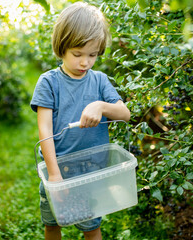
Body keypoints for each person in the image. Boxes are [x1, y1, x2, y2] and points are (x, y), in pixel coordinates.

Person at [30, 2, 131, 240]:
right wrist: (54, 175)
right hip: (59, 169)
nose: (85, 62)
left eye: (92, 55)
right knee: (53, 223)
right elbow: (44, 129)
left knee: (91, 226)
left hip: (91, 171)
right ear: (62, 47)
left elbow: (124, 114)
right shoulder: (49, 83)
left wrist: (101, 106)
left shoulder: (100, 81)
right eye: (77, 54)